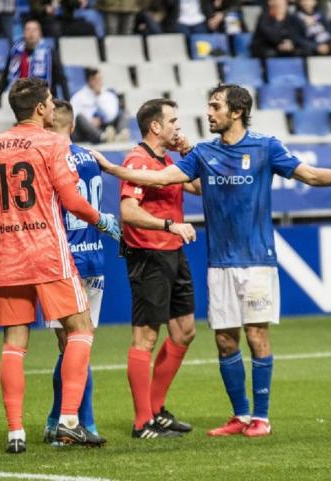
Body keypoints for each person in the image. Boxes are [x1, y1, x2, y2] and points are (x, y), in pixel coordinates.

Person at [95, 84, 331, 437]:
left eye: (214, 107)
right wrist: (112, 168)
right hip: (219, 263)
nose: (207, 113)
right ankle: (240, 417)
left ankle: (261, 418)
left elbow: (312, 175)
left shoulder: (266, 146)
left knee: (256, 335)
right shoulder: (203, 153)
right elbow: (161, 177)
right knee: (224, 340)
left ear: (236, 112)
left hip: (257, 259)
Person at [0, 78, 120, 453]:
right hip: (48, 253)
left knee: (14, 343)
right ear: (40, 109)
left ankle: (15, 432)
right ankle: (70, 420)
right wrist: (101, 219)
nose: (53, 107)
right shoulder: (53, 143)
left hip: (6, 256)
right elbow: (71, 199)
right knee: (81, 329)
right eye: (51, 102)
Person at [108, 99, 200, 439]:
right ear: (155, 127)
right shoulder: (138, 160)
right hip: (148, 255)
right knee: (145, 337)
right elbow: (127, 212)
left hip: (173, 253)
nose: (178, 126)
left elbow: (202, 188)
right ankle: (141, 421)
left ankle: (157, 409)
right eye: (173, 120)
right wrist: (168, 225)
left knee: (185, 330)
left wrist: (189, 149)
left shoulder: (167, 159)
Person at [42, 100, 110, 444]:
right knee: (78, 344)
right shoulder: (91, 158)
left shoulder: (48, 159)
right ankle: (59, 419)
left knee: (70, 345)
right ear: (72, 127)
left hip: (63, 261)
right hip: (95, 257)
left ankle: (81, 423)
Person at [0, 19, 69, 108]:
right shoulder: (16, 51)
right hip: (22, 101)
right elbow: (6, 74)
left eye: (34, 30)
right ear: (23, 33)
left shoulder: (49, 53)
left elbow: (61, 78)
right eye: (28, 30)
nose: (31, 33)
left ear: (40, 34)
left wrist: (66, 100)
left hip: (44, 102)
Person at [70, 68, 129, 144]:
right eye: (96, 80)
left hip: (104, 124)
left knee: (123, 112)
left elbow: (113, 113)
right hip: (87, 128)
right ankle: (102, 137)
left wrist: (102, 119)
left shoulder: (109, 95)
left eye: (100, 79)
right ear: (90, 80)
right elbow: (72, 116)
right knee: (79, 118)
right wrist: (90, 120)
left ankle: (120, 134)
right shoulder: (78, 97)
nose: (99, 82)